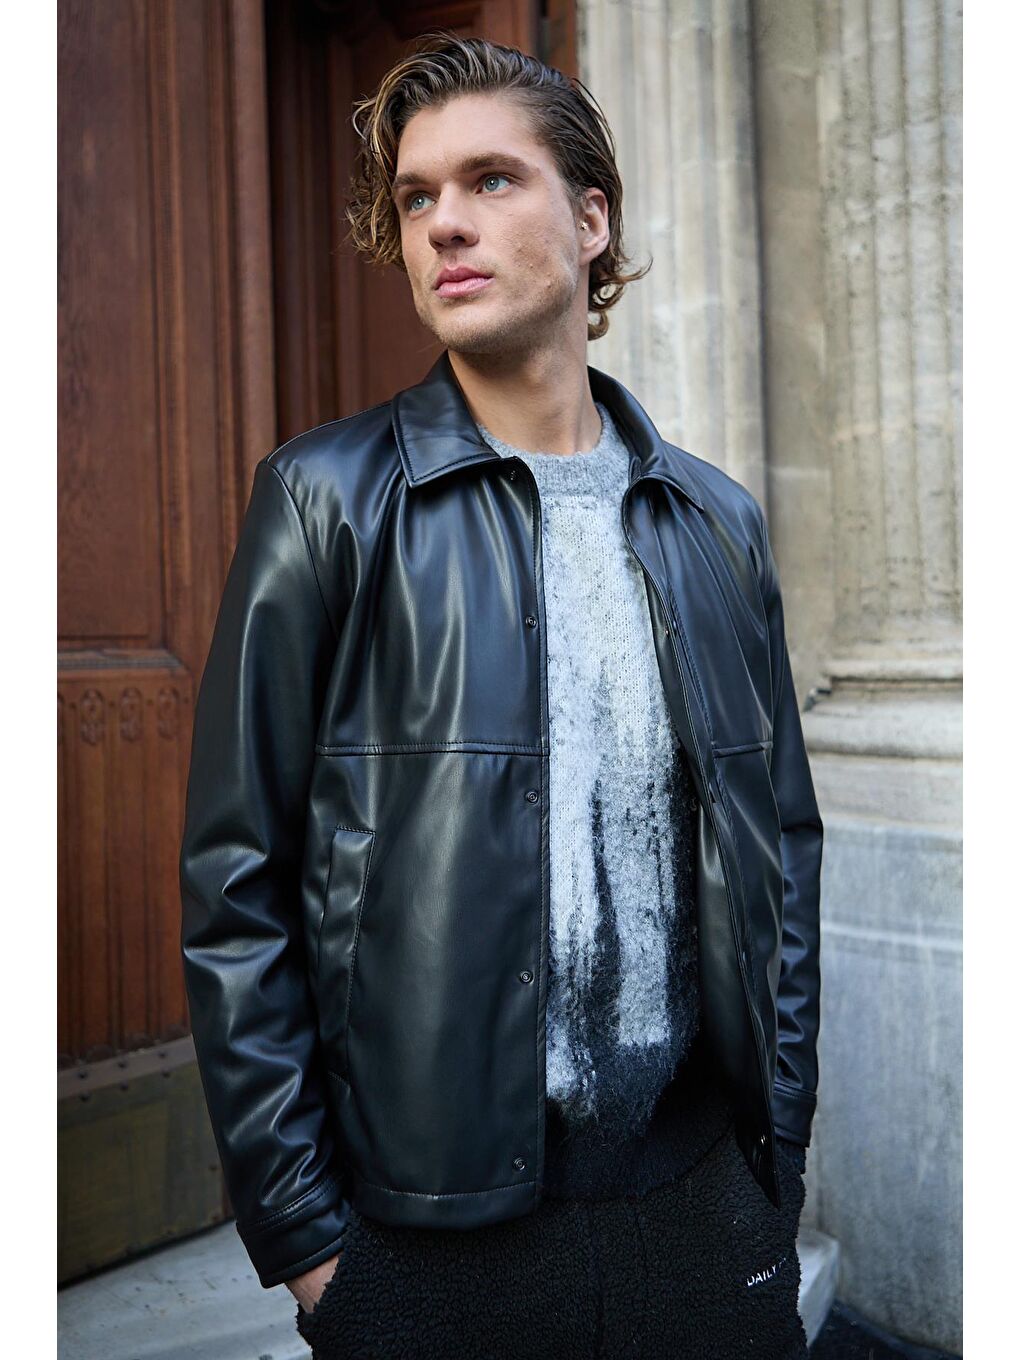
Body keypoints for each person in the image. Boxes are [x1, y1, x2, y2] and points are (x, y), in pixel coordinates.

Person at [179, 31, 823, 1360]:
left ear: (591, 221)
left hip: (706, 1206)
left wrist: (781, 1156)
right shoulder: (325, 501)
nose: (443, 225)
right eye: (417, 196)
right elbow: (238, 886)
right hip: (428, 1242)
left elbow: (785, 852)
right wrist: (310, 1248)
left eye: (489, 180)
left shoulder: (717, 522)